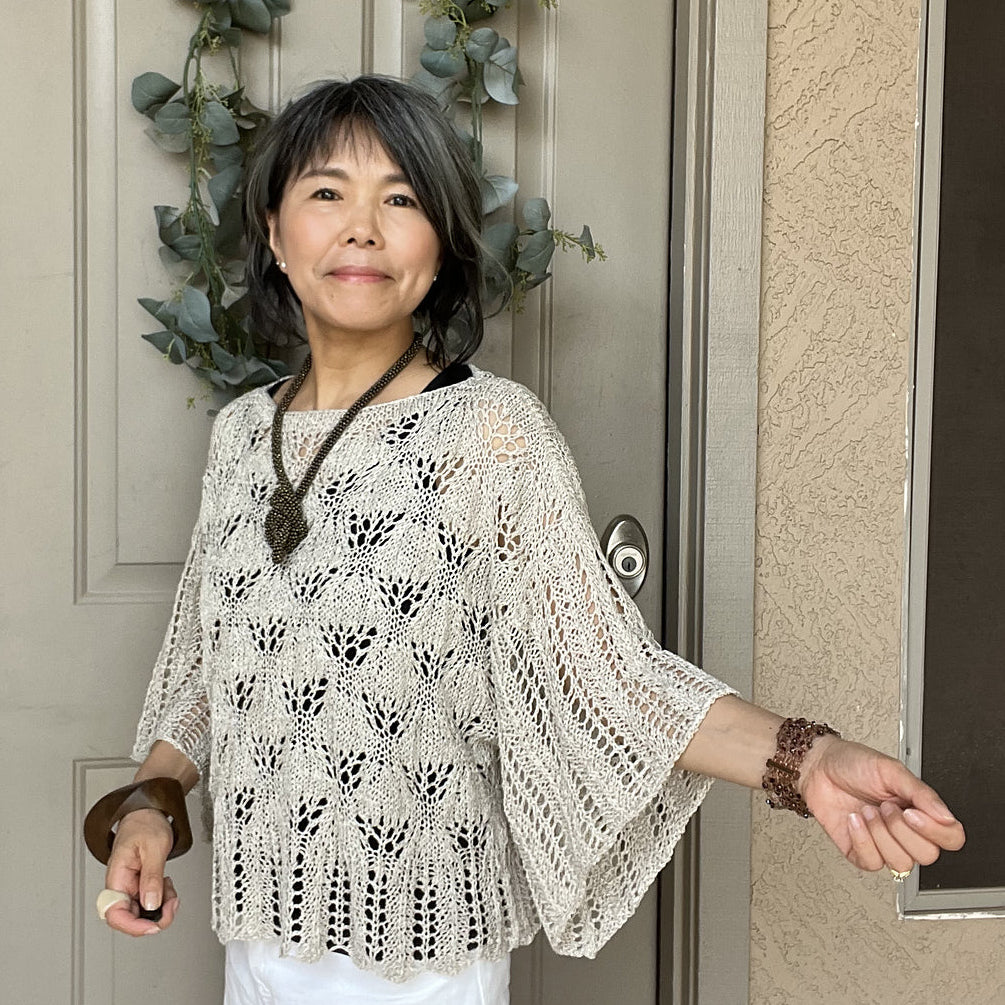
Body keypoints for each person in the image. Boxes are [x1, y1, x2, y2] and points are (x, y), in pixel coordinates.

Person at [85, 76, 965, 1005]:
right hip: (257, 938)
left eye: (402, 198)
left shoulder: (493, 434)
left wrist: (807, 758)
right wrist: (152, 800)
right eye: (326, 193)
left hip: (421, 959)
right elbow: (205, 673)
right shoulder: (238, 436)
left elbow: (609, 678)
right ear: (273, 230)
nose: (361, 227)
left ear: (441, 246)